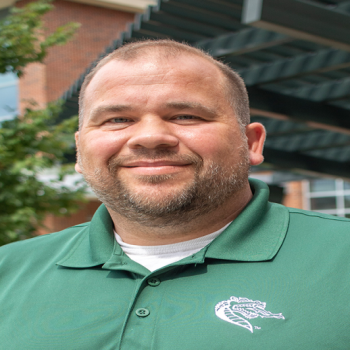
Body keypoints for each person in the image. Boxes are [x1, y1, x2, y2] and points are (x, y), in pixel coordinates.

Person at [0, 40, 349, 350]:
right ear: (80, 151)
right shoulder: (7, 271)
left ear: (252, 143)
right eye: (117, 119)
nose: (150, 137)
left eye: (186, 115)